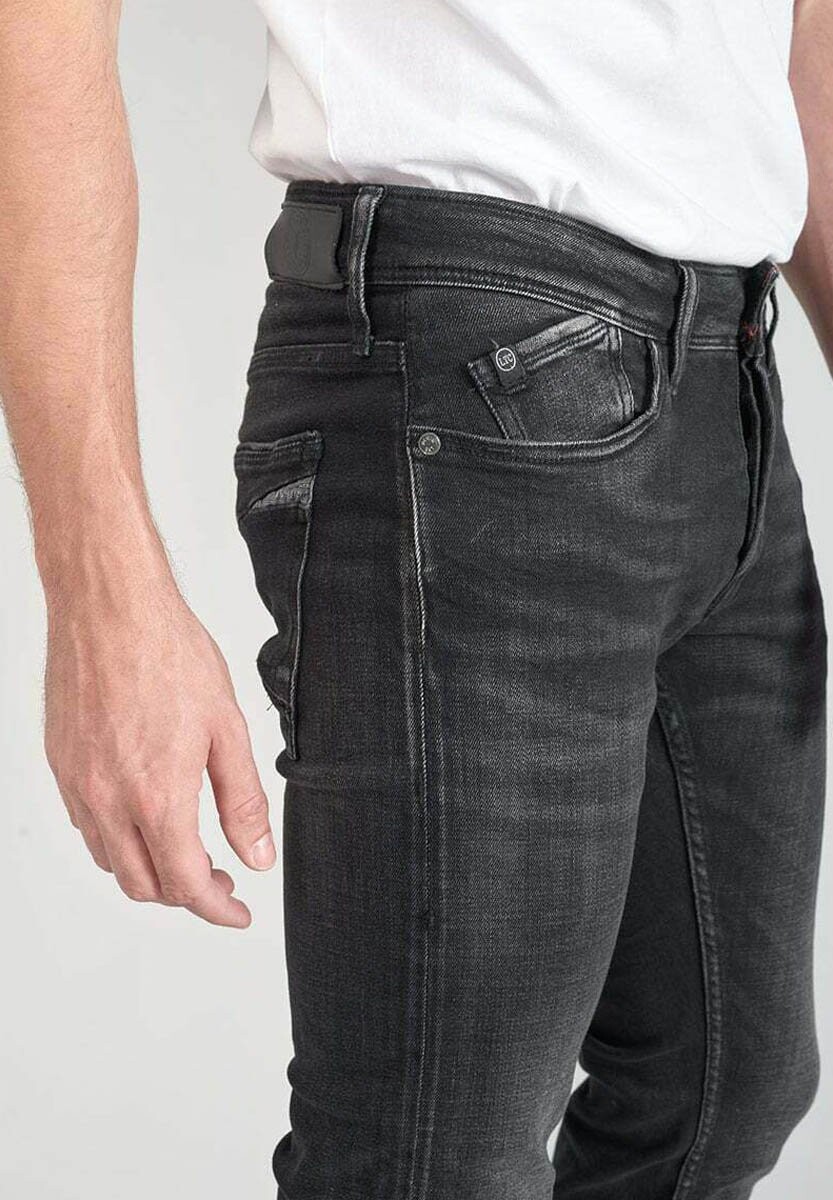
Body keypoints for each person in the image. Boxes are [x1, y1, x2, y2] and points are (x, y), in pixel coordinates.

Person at [0, 2, 829, 1197]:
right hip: (470, 362)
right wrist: (101, 597)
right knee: (430, 1162)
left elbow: (795, 47)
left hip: (729, 370)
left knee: (717, 1093)